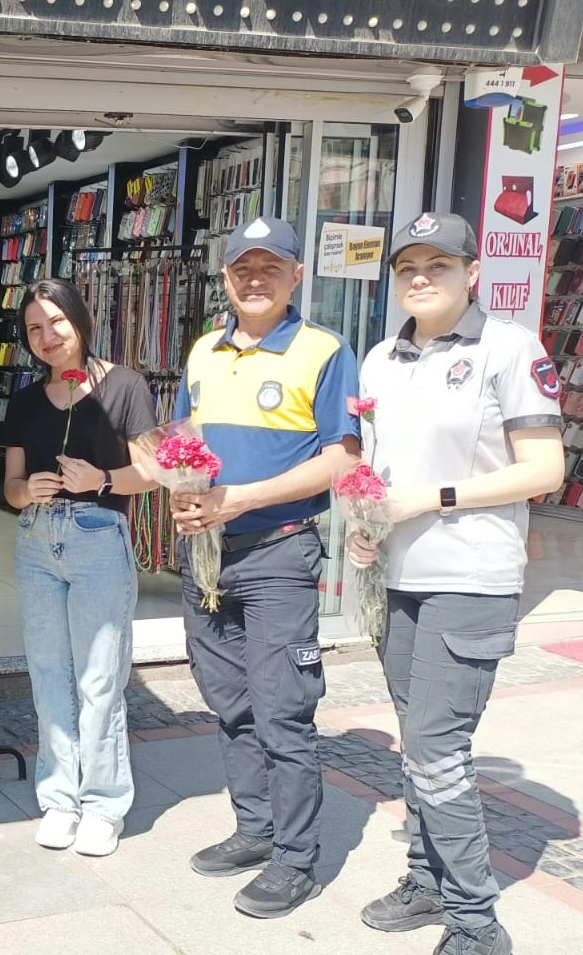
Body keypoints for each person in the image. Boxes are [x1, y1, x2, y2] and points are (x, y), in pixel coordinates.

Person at [347, 212, 564, 955]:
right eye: (408, 265)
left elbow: (544, 468)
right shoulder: (382, 357)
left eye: (438, 264)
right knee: (417, 742)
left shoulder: (510, 348)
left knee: (438, 749)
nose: (420, 277)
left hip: (470, 577)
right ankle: (426, 878)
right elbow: (379, 466)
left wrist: (429, 499)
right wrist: (367, 523)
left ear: (472, 272)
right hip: (396, 575)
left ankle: (477, 922)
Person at [171, 217, 360, 918]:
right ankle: (255, 828)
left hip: (279, 551)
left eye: (271, 267)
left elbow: (342, 460)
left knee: (283, 710)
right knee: (230, 702)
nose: (256, 279)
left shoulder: (324, 351)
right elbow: (183, 442)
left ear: (296, 275)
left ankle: (296, 859)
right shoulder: (203, 350)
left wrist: (242, 497)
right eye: (243, 268)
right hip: (207, 556)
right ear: (225, 277)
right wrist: (180, 492)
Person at [0, 279, 158, 858]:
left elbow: (153, 472)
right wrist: (28, 490)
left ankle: (103, 804)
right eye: (34, 329)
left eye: (56, 322)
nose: (47, 337)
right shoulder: (24, 400)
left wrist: (103, 480)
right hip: (37, 541)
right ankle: (60, 798)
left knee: (100, 677)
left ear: (80, 319)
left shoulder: (125, 386)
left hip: (97, 539)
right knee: (48, 674)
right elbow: (10, 487)